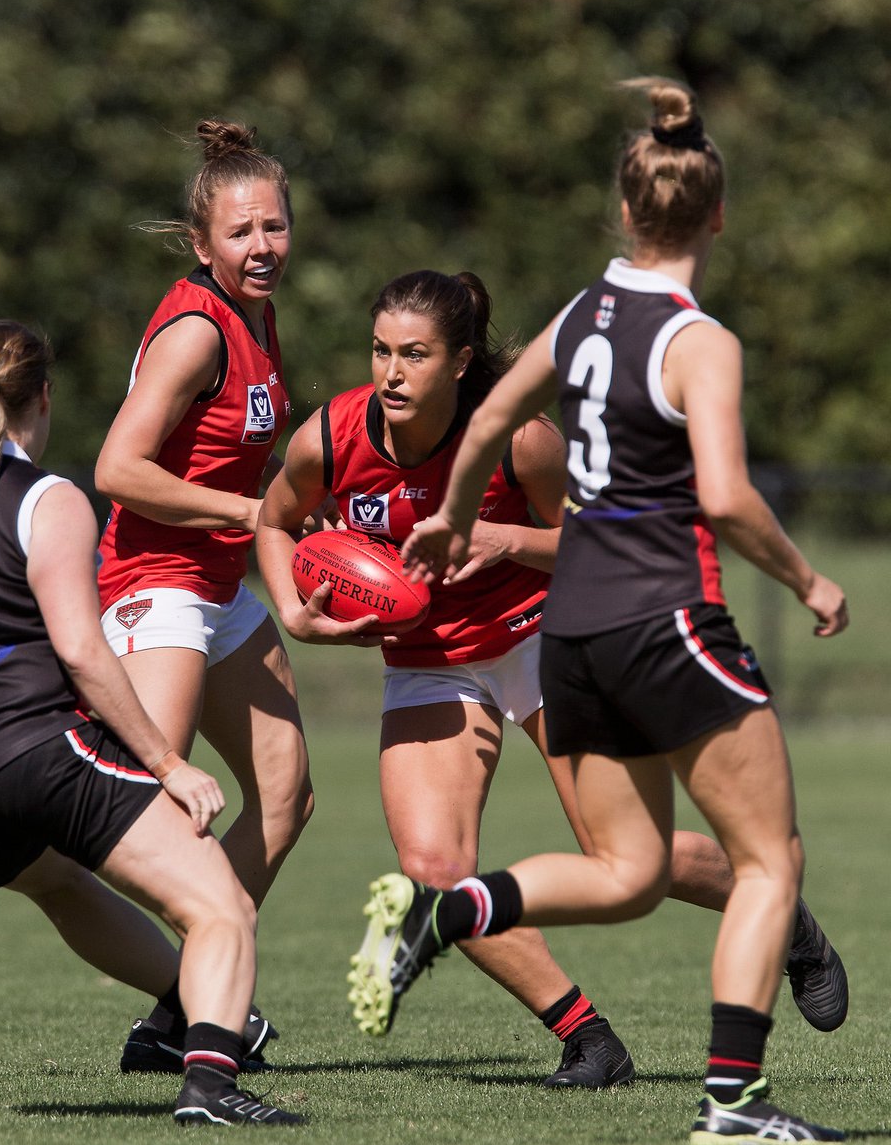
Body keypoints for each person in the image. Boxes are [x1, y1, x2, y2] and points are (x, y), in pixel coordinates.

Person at [356, 80, 850, 1145]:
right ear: (717, 216)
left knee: (627, 874)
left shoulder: (583, 312)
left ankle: (452, 908)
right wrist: (807, 579)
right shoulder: (697, 338)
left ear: (626, 214)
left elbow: (490, 412)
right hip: (667, 617)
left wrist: (446, 517)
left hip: (569, 633)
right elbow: (722, 495)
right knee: (772, 862)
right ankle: (734, 1102)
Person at [255, 268, 845, 1092]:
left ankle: (789, 925)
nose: (391, 372)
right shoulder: (333, 437)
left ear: (459, 363)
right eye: (381, 350)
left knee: (625, 858)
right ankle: (588, 1038)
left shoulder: (520, 440)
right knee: (434, 873)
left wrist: (503, 539)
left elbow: (601, 539)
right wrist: (292, 607)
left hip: (546, 642)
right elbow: (274, 518)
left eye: (414, 355)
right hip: (430, 663)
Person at [0, 320, 304, 1127]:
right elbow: (83, 650)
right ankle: (208, 1084)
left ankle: (184, 1004)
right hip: (37, 749)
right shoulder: (47, 496)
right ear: (44, 397)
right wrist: (168, 763)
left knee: (59, 884)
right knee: (220, 907)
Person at [94, 120, 313, 1072]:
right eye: (241, 233)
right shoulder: (195, 328)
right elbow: (117, 469)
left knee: (286, 791)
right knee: (148, 818)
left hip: (218, 585)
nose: (261, 247)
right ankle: (194, 1002)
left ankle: (189, 1002)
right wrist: (250, 509)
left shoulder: (257, 312)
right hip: (157, 586)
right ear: (202, 243)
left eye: (274, 227)